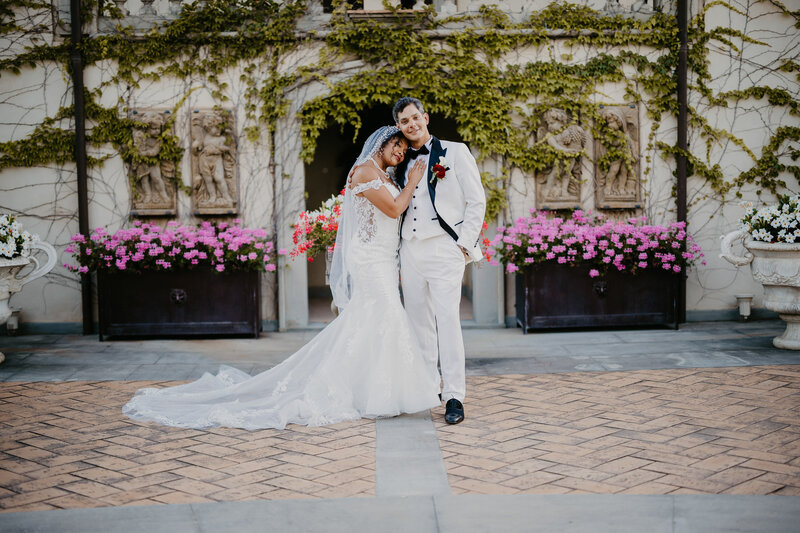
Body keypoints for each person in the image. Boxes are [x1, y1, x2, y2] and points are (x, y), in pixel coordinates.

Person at [123, 126, 439, 430]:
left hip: (383, 257)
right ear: (380, 144)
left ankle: (372, 389)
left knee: (372, 320)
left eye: (402, 147)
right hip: (369, 259)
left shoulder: (384, 174)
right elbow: (395, 209)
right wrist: (412, 181)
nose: (399, 151)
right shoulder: (366, 171)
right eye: (394, 145)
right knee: (385, 316)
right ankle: (376, 395)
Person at [392, 97, 486, 425]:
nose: (411, 125)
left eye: (415, 118)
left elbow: (476, 200)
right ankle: (428, 388)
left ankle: (454, 395)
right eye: (404, 121)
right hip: (410, 249)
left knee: (448, 322)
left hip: (444, 248)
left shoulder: (456, 152)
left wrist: (462, 245)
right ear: (399, 126)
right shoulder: (397, 159)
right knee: (418, 323)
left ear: (425, 117)